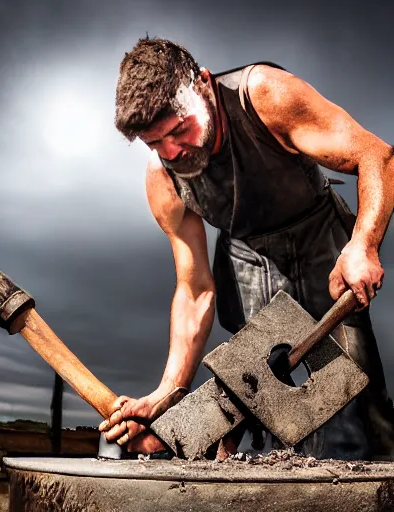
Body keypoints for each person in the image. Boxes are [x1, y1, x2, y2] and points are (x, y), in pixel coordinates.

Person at [98, 37, 394, 460]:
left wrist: (363, 244)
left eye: (180, 129)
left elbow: (376, 156)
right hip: (247, 262)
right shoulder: (163, 179)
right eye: (154, 143)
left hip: (321, 244)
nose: (172, 152)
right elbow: (195, 288)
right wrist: (168, 390)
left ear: (203, 84)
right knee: (259, 403)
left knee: (359, 407)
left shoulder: (266, 96)